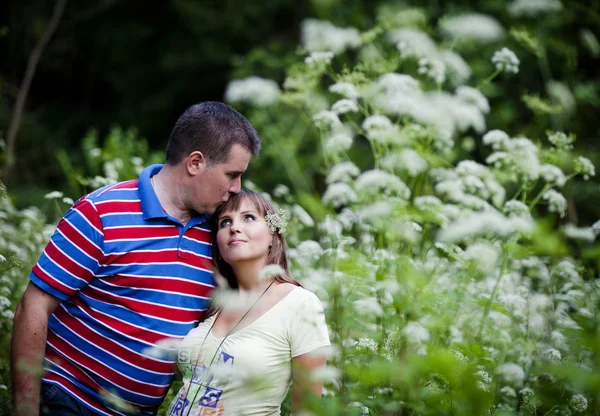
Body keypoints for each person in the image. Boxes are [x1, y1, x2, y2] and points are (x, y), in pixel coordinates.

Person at [11, 102, 261, 416]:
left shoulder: (219, 233)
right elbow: (32, 307)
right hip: (70, 400)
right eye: (232, 175)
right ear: (196, 162)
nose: (237, 188)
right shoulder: (101, 212)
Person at [166, 189, 330, 416]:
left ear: (273, 236)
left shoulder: (301, 304)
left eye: (249, 217)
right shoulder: (211, 301)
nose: (234, 227)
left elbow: (308, 409)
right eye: (225, 222)